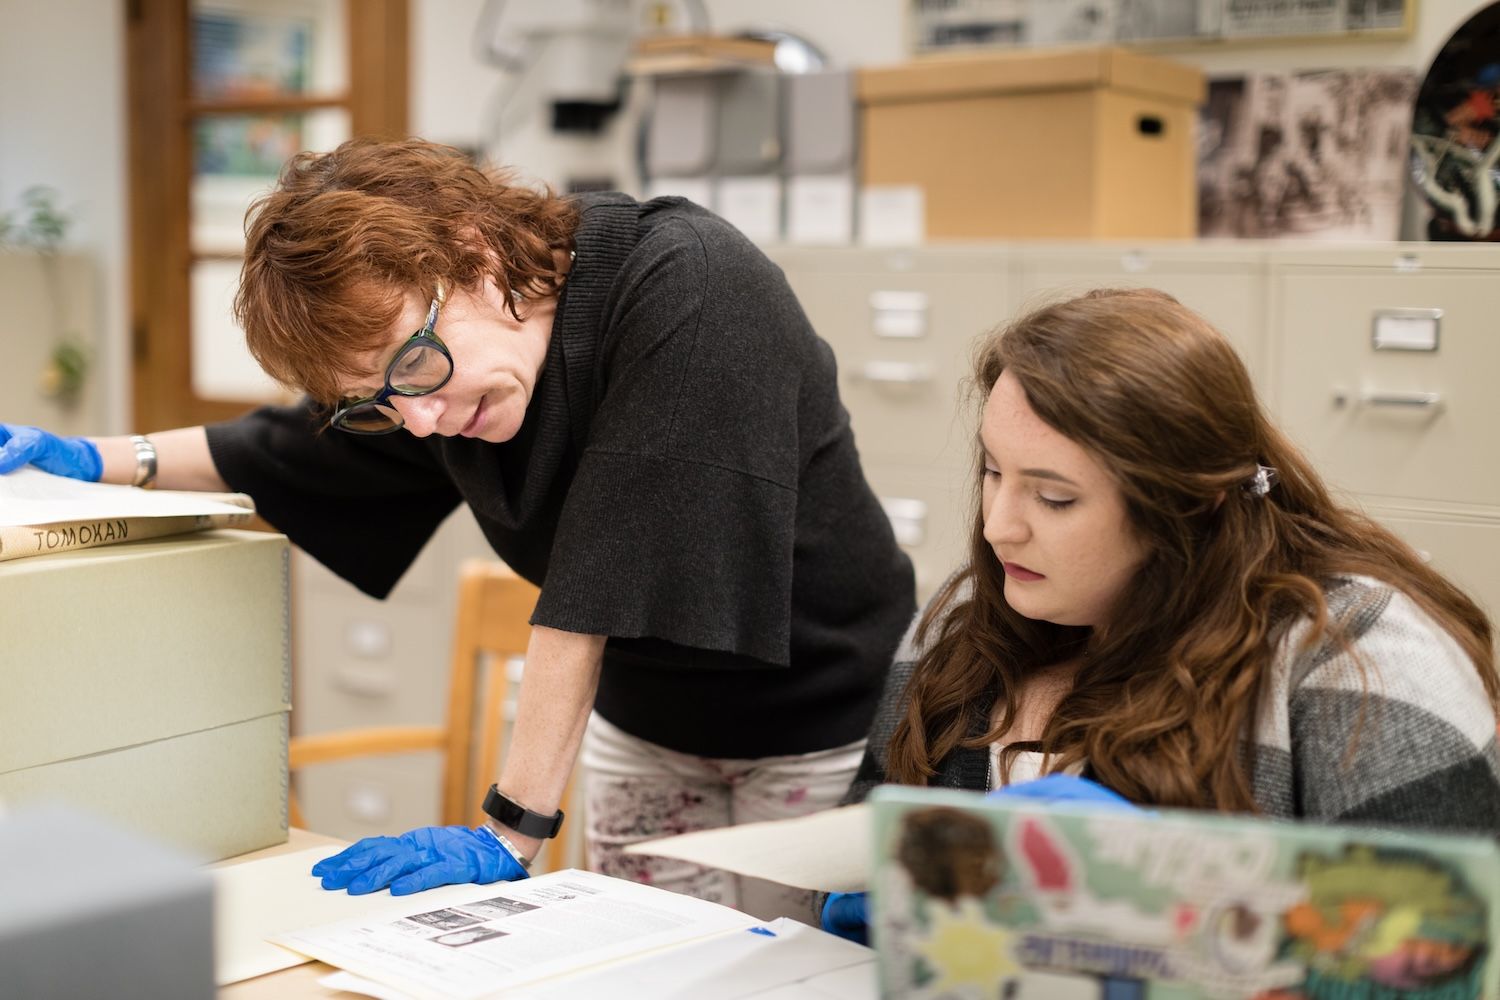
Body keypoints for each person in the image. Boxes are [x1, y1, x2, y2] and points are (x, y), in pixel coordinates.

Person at [0, 137, 915, 919]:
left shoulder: (686, 283)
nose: (422, 422)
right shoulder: (445, 384)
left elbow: (597, 576)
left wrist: (511, 830)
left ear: (475, 253)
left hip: (818, 719)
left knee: (790, 974)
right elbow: (287, 450)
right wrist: (87, 456)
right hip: (645, 722)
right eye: (381, 403)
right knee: (656, 966)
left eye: (414, 367)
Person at [822, 286, 1500, 935]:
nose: (1000, 526)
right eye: (994, 472)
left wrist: (1174, 897)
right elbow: (864, 836)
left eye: (1054, 498)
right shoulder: (964, 619)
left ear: (1188, 505)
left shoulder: (1362, 662)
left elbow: (1429, 956)